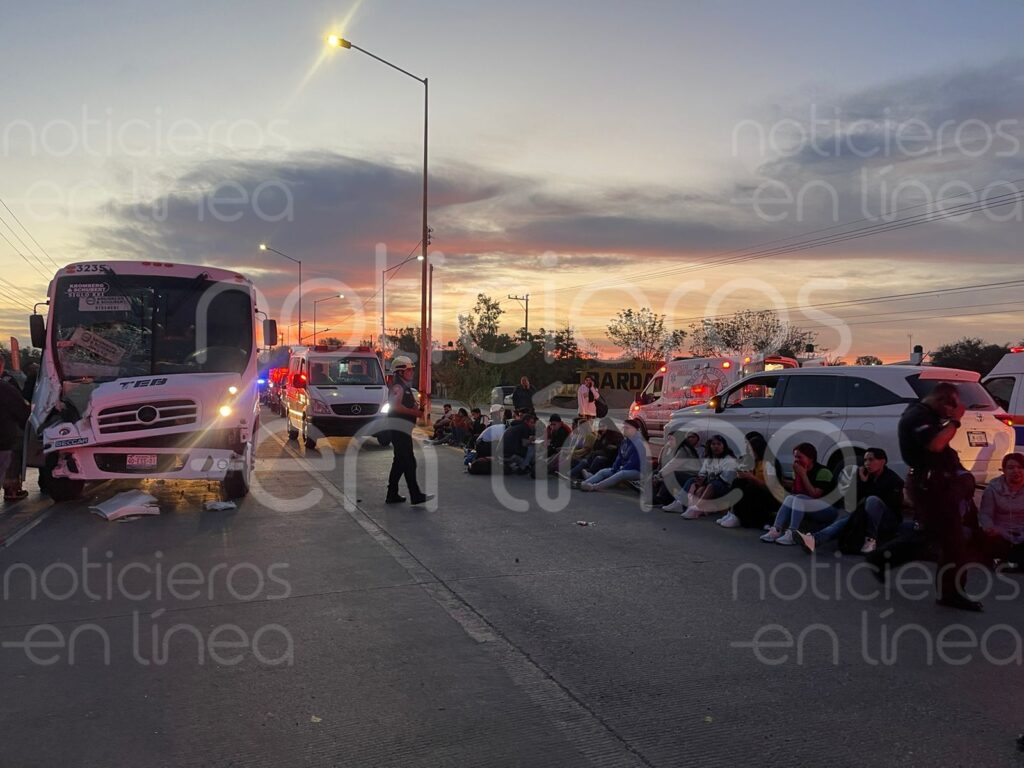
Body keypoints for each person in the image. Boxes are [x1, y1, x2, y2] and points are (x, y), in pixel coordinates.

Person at [882, 381, 981, 611]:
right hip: (928, 485)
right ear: (941, 402)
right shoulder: (917, 416)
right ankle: (951, 593)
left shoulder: (926, 413)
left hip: (938, 482)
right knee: (953, 540)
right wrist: (955, 421)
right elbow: (935, 444)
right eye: (951, 407)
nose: (951, 412)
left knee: (932, 535)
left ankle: (882, 559)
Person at [795, 447, 905, 555]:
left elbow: (892, 504)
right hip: (865, 517)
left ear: (883, 461)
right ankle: (814, 539)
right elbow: (853, 500)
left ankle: (871, 541)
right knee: (847, 517)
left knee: (872, 500)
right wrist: (862, 482)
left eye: (871, 460)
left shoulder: (894, 480)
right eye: (865, 460)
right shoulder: (866, 476)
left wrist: (866, 488)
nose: (867, 463)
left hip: (887, 520)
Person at [760, 443, 835, 545]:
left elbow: (815, 495)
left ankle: (793, 533)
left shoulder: (823, 472)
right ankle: (776, 530)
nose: (796, 460)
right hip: (808, 505)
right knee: (791, 497)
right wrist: (798, 476)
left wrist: (803, 475)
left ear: (810, 458)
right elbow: (795, 492)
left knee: (799, 498)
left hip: (827, 509)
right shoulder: (797, 470)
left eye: (800, 457)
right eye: (795, 457)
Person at [385, 356, 431, 506]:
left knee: (399, 462)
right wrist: (414, 413)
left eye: (411, 369)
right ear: (400, 372)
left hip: (403, 430)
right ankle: (415, 495)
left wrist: (418, 409)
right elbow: (396, 407)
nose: (411, 372)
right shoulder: (398, 387)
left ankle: (392, 494)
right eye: (408, 370)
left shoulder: (404, 388)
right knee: (409, 462)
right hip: (399, 430)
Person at [665, 434, 738, 517]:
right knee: (692, 481)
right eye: (713, 444)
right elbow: (702, 473)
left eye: (719, 444)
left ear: (724, 446)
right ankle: (679, 503)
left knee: (711, 485)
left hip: (725, 488)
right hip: (710, 483)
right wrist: (699, 481)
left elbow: (726, 480)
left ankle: (696, 508)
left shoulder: (729, 460)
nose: (716, 447)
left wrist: (705, 482)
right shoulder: (709, 459)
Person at [977, 452, 1024, 568]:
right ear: (1003, 470)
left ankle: (1011, 563)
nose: (1016, 471)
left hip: (1022, 532)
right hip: (1001, 532)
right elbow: (985, 514)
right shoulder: (993, 488)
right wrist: (989, 527)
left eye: (1020, 467)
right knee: (986, 541)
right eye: (1011, 468)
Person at [721, 432, 776, 529]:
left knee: (750, 489)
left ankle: (743, 517)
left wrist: (751, 477)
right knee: (738, 482)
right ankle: (733, 513)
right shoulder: (752, 461)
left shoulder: (769, 464)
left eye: (752, 451)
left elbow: (770, 487)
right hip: (754, 486)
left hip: (767, 494)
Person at [580, 419, 649, 491]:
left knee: (621, 473)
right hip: (624, 468)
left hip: (637, 471)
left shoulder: (639, 443)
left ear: (635, 430)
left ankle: (594, 487)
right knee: (603, 472)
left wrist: (620, 469)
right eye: (624, 427)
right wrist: (614, 468)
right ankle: (584, 483)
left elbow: (634, 462)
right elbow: (619, 457)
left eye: (627, 428)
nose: (624, 429)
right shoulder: (625, 441)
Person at [0, 356, 31, 504]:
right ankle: (12, 488)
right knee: (16, 449)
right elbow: (22, 412)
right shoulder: (6, 389)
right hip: (3, 439)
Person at [652, 431, 702, 507]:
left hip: (691, 476)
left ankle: (663, 498)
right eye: (668, 439)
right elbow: (666, 464)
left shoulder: (684, 450)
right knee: (655, 472)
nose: (669, 442)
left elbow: (672, 465)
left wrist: (659, 475)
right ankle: (654, 497)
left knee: (671, 474)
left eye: (671, 439)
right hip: (681, 473)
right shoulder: (676, 449)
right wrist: (658, 475)